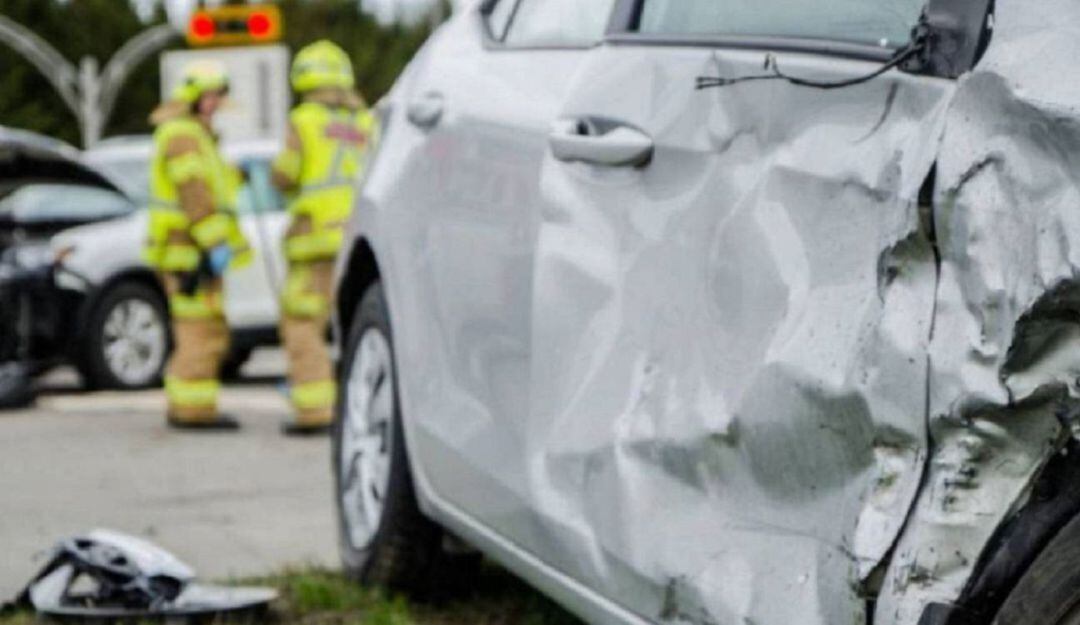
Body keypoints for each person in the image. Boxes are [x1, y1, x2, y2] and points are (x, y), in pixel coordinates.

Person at [272, 40, 376, 435]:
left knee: (301, 324)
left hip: (314, 239)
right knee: (352, 326)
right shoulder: (365, 121)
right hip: (357, 238)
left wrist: (273, 176)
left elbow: (287, 172)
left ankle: (315, 410)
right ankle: (356, 410)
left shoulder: (304, 120)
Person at [144, 60, 251, 430]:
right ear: (192, 97)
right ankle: (193, 409)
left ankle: (186, 403)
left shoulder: (192, 134)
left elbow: (210, 187)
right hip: (187, 253)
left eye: (217, 96)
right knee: (198, 331)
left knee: (200, 329)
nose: (215, 103)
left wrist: (237, 176)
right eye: (208, 96)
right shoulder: (183, 135)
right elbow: (194, 193)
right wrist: (214, 244)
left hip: (189, 251)